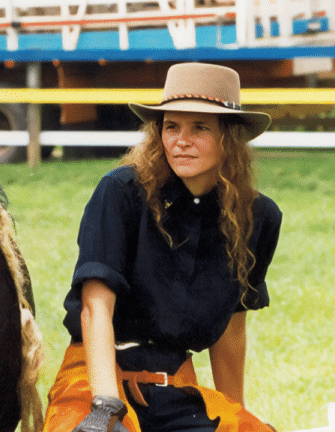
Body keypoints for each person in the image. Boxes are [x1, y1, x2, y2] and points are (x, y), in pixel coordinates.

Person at [43, 62, 283, 432]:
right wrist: (105, 406)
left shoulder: (259, 217)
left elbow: (232, 329)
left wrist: (237, 413)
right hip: (96, 378)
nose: (180, 141)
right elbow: (95, 307)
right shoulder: (121, 191)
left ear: (230, 137)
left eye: (199, 127)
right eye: (171, 126)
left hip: (175, 385)